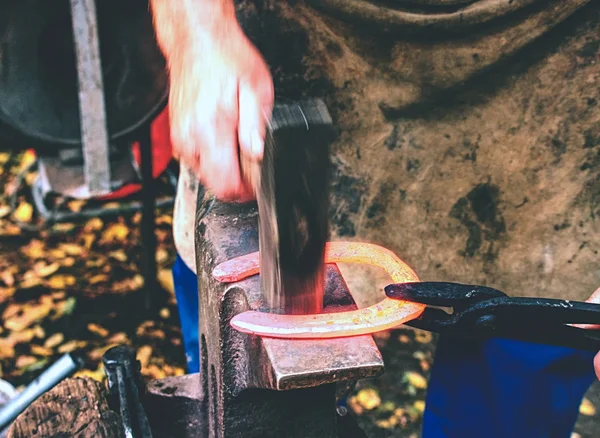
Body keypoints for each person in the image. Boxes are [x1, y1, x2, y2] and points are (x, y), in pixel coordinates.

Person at [148, 1, 600, 436]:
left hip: (552, 75)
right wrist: (196, 31)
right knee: (233, 366)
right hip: (283, 50)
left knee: (513, 392)